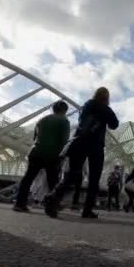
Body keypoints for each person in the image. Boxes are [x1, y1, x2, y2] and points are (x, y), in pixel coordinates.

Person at [44, 87, 119, 219]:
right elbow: (114, 124)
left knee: (72, 174)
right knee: (94, 179)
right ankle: (87, 210)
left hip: (79, 141)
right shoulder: (106, 109)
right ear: (106, 98)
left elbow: (81, 122)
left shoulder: (87, 105)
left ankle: (53, 196)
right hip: (96, 145)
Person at [13, 101, 71, 212]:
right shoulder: (64, 121)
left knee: (28, 179)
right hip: (52, 155)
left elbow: (35, 138)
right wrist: (62, 156)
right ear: (65, 110)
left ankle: (19, 204)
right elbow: (64, 141)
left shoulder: (42, 120)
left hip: (35, 152)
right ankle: (52, 204)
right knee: (53, 182)